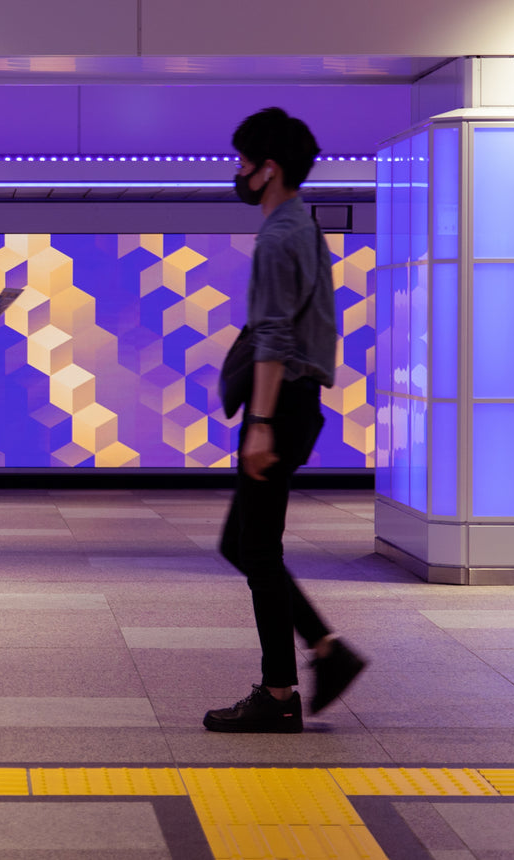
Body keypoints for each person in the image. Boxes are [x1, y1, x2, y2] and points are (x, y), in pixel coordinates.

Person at [203, 108, 366, 734]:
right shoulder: (304, 225)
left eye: (244, 163)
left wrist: (262, 423)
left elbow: (273, 337)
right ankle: (325, 651)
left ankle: (279, 692)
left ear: (268, 169)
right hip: (299, 402)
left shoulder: (278, 236)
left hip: (280, 404)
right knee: (241, 544)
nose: (238, 174)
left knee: (257, 549)